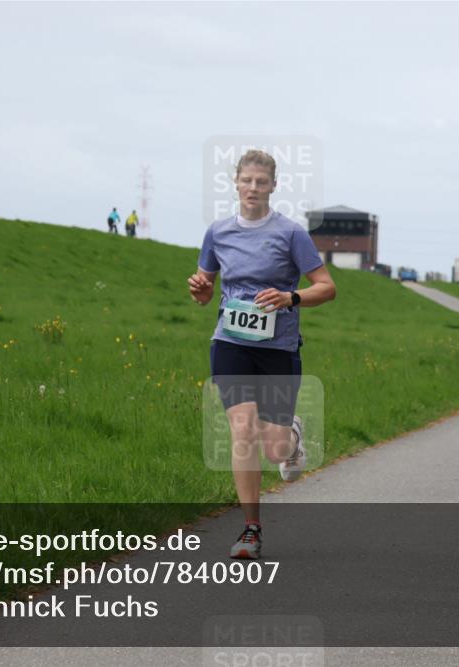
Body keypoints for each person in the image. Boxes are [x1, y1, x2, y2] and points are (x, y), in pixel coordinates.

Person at [187, 149, 336, 559]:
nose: (253, 187)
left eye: (261, 182)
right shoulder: (218, 232)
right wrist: (201, 291)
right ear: (235, 183)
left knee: (275, 450)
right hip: (230, 342)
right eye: (247, 180)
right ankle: (251, 529)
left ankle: (293, 436)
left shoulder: (291, 234)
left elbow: (327, 287)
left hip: (278, 349)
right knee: (242, 430)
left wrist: (291, 297)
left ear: (273, 186)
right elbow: (205, 291)